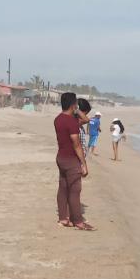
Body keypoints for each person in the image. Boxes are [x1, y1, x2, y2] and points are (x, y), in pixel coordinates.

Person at [54, 92, 93, 230]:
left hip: (61, 157)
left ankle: (63, 218)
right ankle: (78, 221)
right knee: (75, 189)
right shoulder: (71, 121)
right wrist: (84, 164)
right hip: (71, 159)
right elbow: (76, 144)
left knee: (63, 188)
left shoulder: (58, 119)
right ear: (73, 104)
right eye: (75, 103)